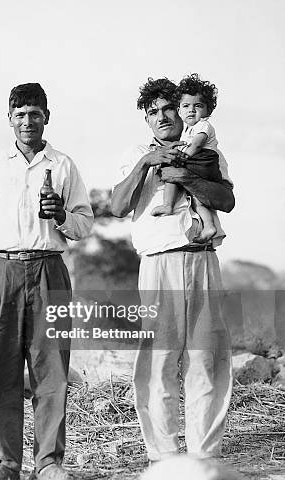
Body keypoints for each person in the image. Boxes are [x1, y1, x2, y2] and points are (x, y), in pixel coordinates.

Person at [0, 83, 93, 480]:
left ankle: (49, 461)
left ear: (46, 117)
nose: (27, 121)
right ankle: (4, 461)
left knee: (51, 369)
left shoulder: (64, 165)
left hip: (49, 269)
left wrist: (59, 217)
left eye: (34, 113)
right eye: (19, 114)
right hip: (1, 271)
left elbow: (83, 224)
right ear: (9, 119)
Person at [111, 77, 235, 463]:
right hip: (157, 261)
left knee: (206, 357)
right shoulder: (137, 152)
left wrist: (186, 177)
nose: (163, 117)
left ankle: (203, 454)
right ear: (146, 120)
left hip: (200, 257)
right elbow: (117, 206)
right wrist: (148, 162)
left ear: (182, 111)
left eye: (169, 109)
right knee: (158, 358)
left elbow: (226, 199)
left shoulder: (207, 149)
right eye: (153, 112)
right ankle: (162, 455)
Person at [150, 73, 223, 243]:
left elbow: (197, 145)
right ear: (179, 110)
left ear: (208, 110)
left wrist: (182, 157)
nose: (191, 110)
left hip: (204, 159)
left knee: (171, 171)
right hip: (200, 163)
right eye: (186, 106)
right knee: (197, 199)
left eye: (198, 106)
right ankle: (209, 225)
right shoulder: (188, 130)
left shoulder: (203, 125)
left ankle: (168, 205)